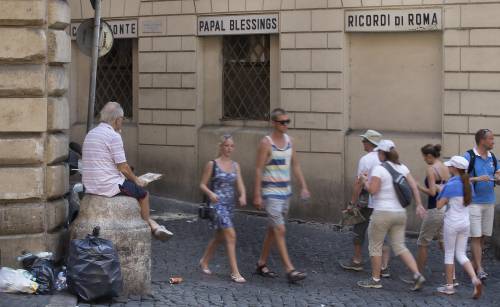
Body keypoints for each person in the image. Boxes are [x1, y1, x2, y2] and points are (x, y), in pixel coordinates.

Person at [82, 101, 173, 240]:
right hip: (108, 186)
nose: (122, 122)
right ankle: (149, 226)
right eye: (122, 119)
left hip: (90, 185)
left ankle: (154, 225)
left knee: (132, 182)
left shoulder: (91, 133)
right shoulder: (113, 136)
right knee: (143, 194)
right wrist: (137, 180)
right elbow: (123, 167)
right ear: (118, 119)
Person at [357, 140, 426, 290]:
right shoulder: (402, 168)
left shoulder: (379, 169)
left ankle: (375, 280)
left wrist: (364, 181)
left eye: (378, 152)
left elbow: (373, 191)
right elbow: (414, 186)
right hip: (400, 213)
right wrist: (419, 204)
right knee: (400, 246)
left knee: (375, 246)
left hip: (382, 212)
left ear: (382, 153)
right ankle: (417, 275)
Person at [254, 108, 310, 283]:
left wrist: (304, 186)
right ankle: (290, 270)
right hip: (271, 193)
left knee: (273, 230)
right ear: (274, 123)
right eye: (282, 122)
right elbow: (258, 169)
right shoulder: (266, 143)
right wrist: (257, 194)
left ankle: (261, 263)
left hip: (285, 192)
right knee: (280, 229)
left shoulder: (290, 141)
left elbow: (296, 166)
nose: (286, 125)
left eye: (288, 121)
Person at [340, 130, 391, 277]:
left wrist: (351, 203)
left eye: (364, 141)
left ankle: (357, 261)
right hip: (384, 203)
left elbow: (359, 184)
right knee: (383, 234)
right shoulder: (387, 159)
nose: (362, 143)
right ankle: (384, 267)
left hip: (367, 201)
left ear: (369, 143)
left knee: (359, 230)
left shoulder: (366, 159)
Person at [199, 134, 247, 283]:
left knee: (220, 236)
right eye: (226, 145)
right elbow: (202, 184)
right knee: (231, 235)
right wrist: (210, 193)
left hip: (229, 205)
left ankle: (204, 261)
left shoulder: (235, 165)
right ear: (221, 146)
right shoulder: (212, 164)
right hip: (217, 204)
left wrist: (243, 195)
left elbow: (240, 184)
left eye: (231, 146)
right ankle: (234, 272)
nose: (229, 148)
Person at [435, 156, 482, 299]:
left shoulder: (451, 184)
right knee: (461, 254)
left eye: (450, 166)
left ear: (454, 168)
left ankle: (449, 287)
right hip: (465, 223)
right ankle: (475, 280)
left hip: (452, 223)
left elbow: (439, 206)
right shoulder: (468, 183)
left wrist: (439, 189)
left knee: (449, 254)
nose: (448, 168)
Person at [464, 128, 500, 280]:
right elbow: (461, 178)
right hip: (474, 203)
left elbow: (497, 172)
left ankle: (474, 263)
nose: (493, 141)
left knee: (484, 236)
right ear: (482, 140)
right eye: (491, 139)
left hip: (489, 202)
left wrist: (497, 177)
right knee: (476, 236)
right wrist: (477, 179)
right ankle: (479, 268)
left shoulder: (492, 157)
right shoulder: (469, 156)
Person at [415, 144, 450, 274]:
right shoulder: (445, 167)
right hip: (444, 208)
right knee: (443, 242)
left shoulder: (431, 169)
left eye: (424, 157)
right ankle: (452, 275)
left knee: (423, 242)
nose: (424, 159)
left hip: (434, 209)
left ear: (429, 156)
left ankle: (418, 275)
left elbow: (432, 192)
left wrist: (418, 187)